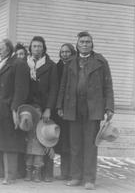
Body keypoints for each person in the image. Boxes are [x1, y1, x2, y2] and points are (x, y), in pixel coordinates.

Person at [57, 31, 114, 190]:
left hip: (93, 108)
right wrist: (60, 105)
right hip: (73, 107)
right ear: (77, 44)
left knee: (90, 145)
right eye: (82, 42)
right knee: (75, 144)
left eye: (88, 42)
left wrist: (109, 107)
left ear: (92, 44)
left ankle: (89, 179)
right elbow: (63, 85)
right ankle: (76, 176)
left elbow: (108, 85)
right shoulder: (70, 62)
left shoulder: (100, 61)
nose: (84, 44)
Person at [0, 39, 29, 185]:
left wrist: (16, 109)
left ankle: (10, 176)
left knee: (9, 143)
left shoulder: (19, 64)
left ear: (9, 49)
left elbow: (21, 89)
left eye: (1, 49)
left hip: (8, 108)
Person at [25, 36, 58, 182]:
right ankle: (26, 171)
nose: (37, 49)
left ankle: (42, 172)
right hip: (27, 108)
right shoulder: (25, 64)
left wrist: (48, 108)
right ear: (30, 48)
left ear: (44, 48)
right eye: (34, 46)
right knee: (28, 140)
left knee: (42, 140)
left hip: (43, 108)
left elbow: (53, 89)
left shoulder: (51, 65)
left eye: (39, 46)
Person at [52, 43, 76, 180]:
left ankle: (72, 172)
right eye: (62, 52)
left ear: (72, 53)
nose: (64, 54)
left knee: (72, 141)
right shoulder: (57, 67)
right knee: (62, 141)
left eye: (67, 52)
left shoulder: (76, 66)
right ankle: (64, 172)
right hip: (59, 109)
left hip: (73, 109)